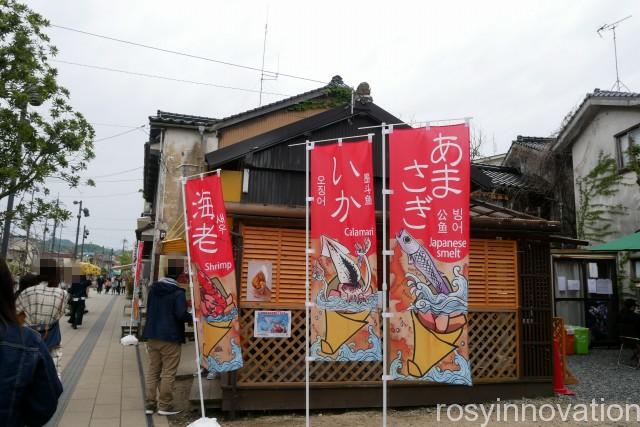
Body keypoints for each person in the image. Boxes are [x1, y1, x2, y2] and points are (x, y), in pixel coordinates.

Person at [0, 258, 63, 426]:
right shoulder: (61, 293)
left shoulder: (27, 292)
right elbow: (46, 404)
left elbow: (19, 310)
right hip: (47, 335)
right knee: (50, 369)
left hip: (27, 329)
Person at [142, 260, 191, 416]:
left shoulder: (153, 290)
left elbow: (149, 309)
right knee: (168, 373)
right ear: (179, 274)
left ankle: (150, 404)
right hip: (170, 336)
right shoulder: (178, 293)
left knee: (153, 370)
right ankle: (165, 405)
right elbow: (181, 314)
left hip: (152, 334)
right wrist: (191, 318)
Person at [15, 259, 68, 378]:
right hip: (51, 340)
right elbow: (61, 312)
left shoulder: (27, 292)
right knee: (51, 374)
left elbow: (15, 314)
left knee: (26, 374)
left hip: (27, 339)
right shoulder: (62, 294)